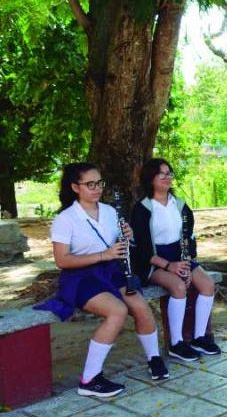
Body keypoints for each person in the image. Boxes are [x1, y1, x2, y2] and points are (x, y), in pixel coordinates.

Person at [42, 162, 169, 398]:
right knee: (117, 311)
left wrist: (128, 237)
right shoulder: (65, 219)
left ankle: (154, 359)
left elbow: (117, 245)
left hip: (111, 271)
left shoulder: (110, 211)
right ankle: (89, 379)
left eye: (99, 183)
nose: (97, 188)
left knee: (141, 306)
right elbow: (62, 260)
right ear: (75, 187)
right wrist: (104, 254)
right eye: (90, 184)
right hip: (81, 277)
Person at [129, 158, 221, 361]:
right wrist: (169, 266)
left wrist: (186, 265)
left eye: (169, 173)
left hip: (180, 257)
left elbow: (189, 238)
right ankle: (176, 343)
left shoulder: (179, 205)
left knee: (207, 284)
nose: (167, 177)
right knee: (179, 287)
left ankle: (198, 338)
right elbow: (142, 252)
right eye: (161, 173)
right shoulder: (142, 209)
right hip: (154, 261)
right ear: (150, 178)